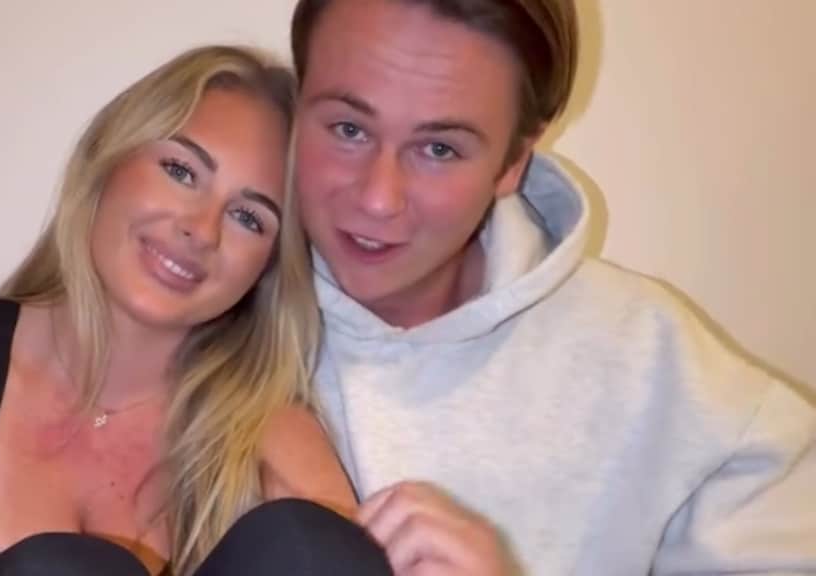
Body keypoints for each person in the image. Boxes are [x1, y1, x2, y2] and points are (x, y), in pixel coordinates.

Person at [0, 45, 391, 576]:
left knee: (307, 545)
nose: (201, 230)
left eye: (248, 217)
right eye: (180, 170)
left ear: (268, 269)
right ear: (107, 159)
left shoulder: (269, 431)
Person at [290, 0, 816, 574]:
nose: (378, 198)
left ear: (514, 161)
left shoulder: (657, 368)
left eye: (440, 149)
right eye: (348, 129)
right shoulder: (218, 320)